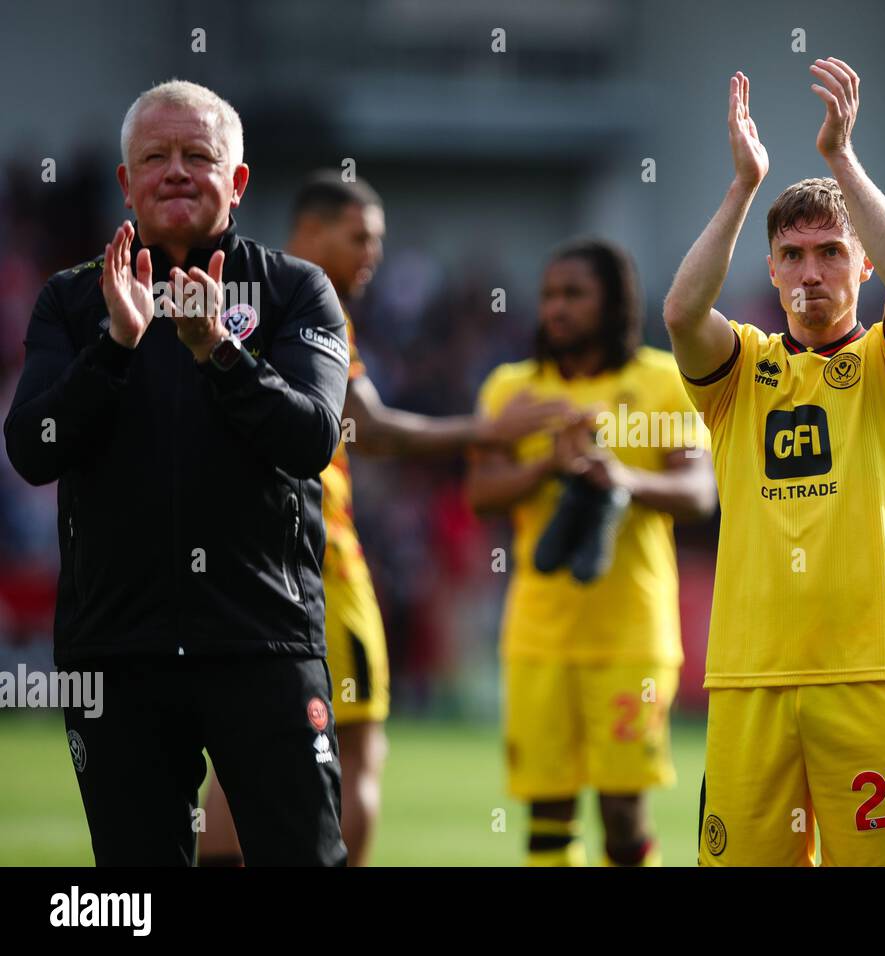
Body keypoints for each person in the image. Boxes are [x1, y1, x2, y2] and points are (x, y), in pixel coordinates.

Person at [3, 80, 352, 865]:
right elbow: (33, 447)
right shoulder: (71, 300)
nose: (176, 171)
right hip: (116, 656)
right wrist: (115, 350)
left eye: (199, 155)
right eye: (154, 157)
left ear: (238, 180)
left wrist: (219, 353)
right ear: (126, 183)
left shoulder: (297, 290)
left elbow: (311, 439)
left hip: (263, 644)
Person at [199, 173, 567, 866]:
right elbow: (376, 428)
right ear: (310, 231)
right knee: (358, 748)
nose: (373, 254)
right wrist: (490, 429)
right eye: (360, 236)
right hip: (321, 567)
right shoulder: (311, 306)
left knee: (243, 748)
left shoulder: (242, 302)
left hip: (245, 564)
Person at [665, 60, 885, 866]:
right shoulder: (741, 374)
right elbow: (682, 311)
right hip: (749, 681)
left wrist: (840, 158)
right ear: (772, 270)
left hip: (869, 678)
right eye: (792, 255)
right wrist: (744, 186)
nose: (811, 272)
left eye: (830, 252)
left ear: (862, 268)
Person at [467, 237, 716, 866]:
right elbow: (481, 494)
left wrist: (623, 479)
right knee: (547, 811)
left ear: (614, 303)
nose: (556, 308)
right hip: (537, 635)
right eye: (550, 294)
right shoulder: (513, 391)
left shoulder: (660, 381)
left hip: (632, 633)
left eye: (574, 294)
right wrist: (549, 464)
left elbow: (699, 492)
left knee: (623, 811)